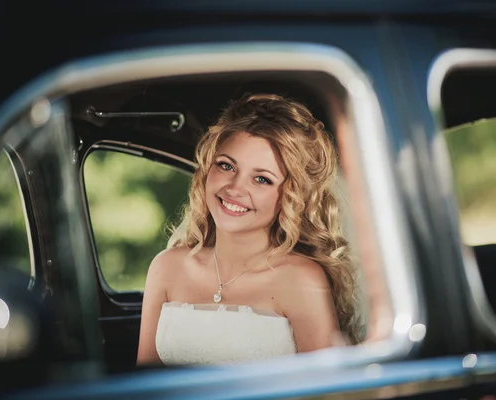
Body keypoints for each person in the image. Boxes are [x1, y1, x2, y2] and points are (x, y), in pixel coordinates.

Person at [137, 93, 362, 366]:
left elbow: (325, 393)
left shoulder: (301, 279)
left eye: (261, 179)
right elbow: (146, 381)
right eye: (226, 165)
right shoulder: (166, 267)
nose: (234, 188)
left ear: (291, 196)